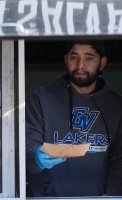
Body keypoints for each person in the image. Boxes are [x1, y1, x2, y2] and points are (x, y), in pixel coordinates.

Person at [26, 40, 122, 197]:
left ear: (102, 63)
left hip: (97, 197)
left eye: (89, 58)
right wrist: (34, 158)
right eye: (74, 57)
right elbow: (27, 145)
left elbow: (120, 159)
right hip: (47, 197)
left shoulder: (116, 105)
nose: (80, 65)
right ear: (65, 59)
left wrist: (111, 195)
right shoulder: (42, 98)